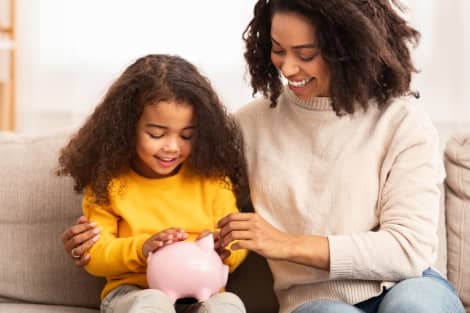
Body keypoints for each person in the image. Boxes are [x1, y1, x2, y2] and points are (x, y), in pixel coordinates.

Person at [62, 1, 466, 313]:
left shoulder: (402, 119)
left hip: (407, 284)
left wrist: (285, 244)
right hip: (313, 299)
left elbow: (408, 249)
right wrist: (96, 239)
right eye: (277, 50)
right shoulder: (247, 127)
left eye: (305, 54)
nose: (288, 67)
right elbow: (176, 181)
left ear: (349, 48)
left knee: (416, 306)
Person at [57, 54, 247, 313]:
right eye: (156, 134)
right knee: (152, 303)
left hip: (205, 293)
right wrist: (143, 249)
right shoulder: (109, 183)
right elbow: (95, 256)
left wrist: (223, 249)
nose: (172, 147)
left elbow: (237, 240)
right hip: (135, 291)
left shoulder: (212, 180)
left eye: (186, 135)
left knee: (230, 305)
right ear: (126, 128)